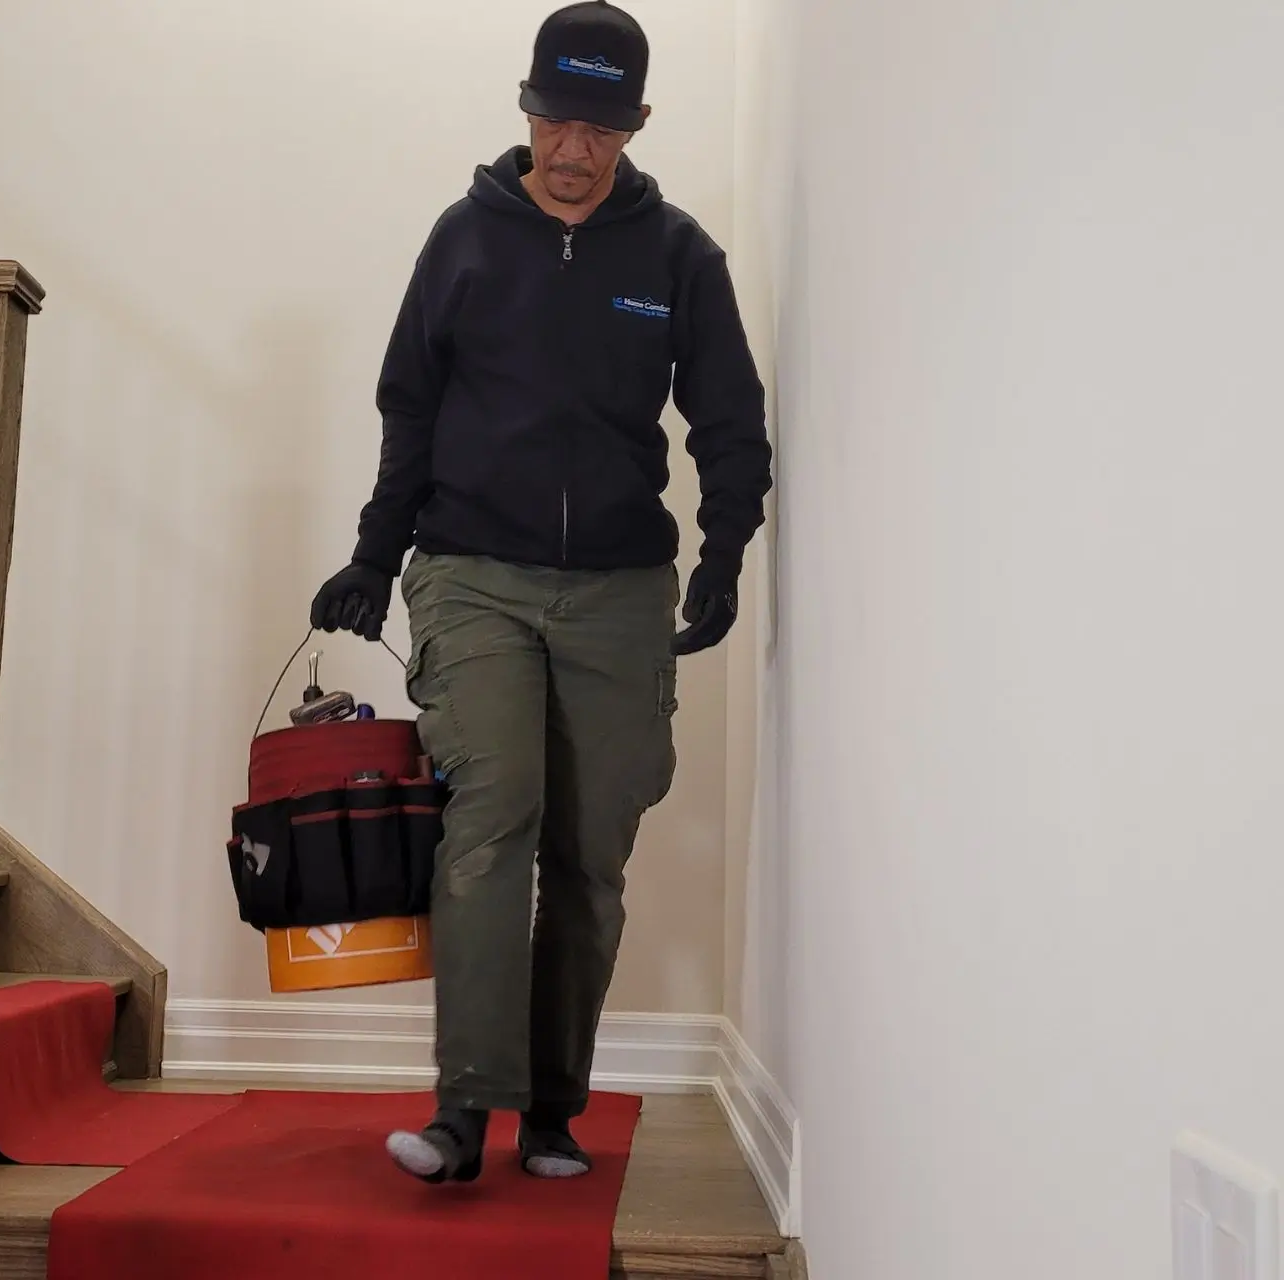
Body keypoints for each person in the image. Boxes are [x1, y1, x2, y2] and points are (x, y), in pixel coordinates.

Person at [310, 0, 773, 1184]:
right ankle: (466, 1106)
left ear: (637, 125)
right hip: (472, 573)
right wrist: (375, 553)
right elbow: (407, 408)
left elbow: (728, 421)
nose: (575, 149)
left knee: (589, 850)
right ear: (526, 110)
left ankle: (554, 1105)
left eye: (601, 128)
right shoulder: (463, 240)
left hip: (620, 587)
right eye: (557, 119)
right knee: (492, 815)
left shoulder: (678, 257)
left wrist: (724, 552)